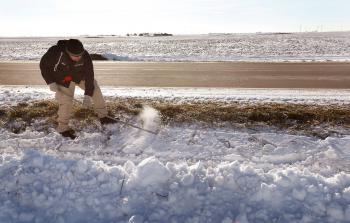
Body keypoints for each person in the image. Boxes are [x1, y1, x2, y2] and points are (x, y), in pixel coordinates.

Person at [40, 39, 116, 139]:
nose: (78, 58)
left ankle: (103, 116)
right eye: (75, 56)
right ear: (68, 52)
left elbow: (89, 75)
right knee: (66, 101)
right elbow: (44, 65)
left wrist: (88, 95)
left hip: (79, 76)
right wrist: (50, 82)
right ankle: (63, 128)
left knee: (95, 88)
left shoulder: (85, 56)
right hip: (63, 79)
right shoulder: (56, 52)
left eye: (80, 55)